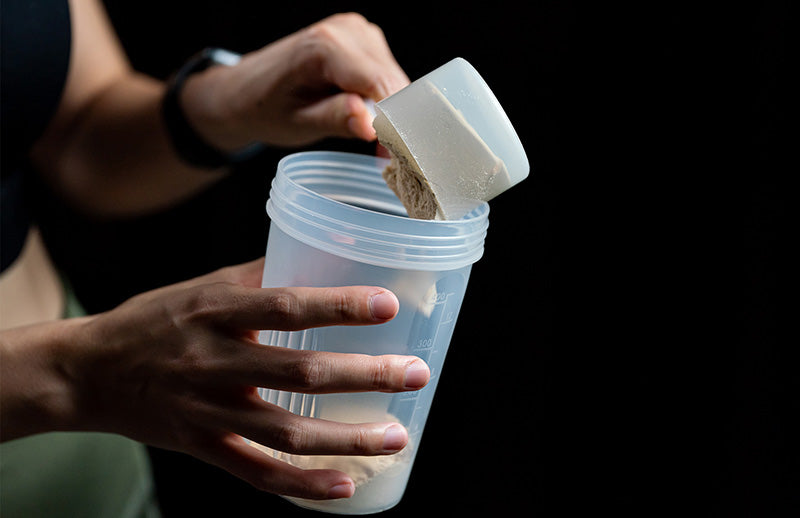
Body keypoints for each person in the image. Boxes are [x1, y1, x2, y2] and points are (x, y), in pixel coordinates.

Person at [0, 0, 429, 515]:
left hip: (90, 445)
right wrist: (77, 375)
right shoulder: (92, 375)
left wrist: (224, 104)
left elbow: (75, 129)